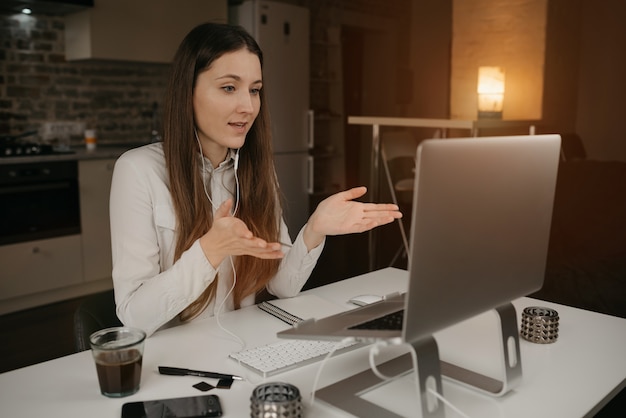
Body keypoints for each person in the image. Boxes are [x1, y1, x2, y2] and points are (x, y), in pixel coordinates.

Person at [109, 22, 402, 336]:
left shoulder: (253, 168)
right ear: (188, 91)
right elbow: (134, 316)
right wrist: (209, 250)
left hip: (244, 345)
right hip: (175, 364)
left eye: (255, 90)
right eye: (228, 87)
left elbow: (282, 285)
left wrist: (314, 229)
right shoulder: (138, 170)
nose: (248, 107)